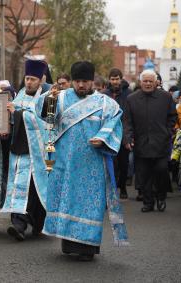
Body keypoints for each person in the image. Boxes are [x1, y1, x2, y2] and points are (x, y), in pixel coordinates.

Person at [38, 61, 128, 261]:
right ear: (72, 81)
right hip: (65, 162)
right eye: (77, 81)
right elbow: (47, 117)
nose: (81, 85)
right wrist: (48, 99)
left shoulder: (105, 103)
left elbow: (115, 121)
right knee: (67, 201)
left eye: (85, 81)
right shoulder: (59, 98)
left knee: (89, 204)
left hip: (92, 164)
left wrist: (103, 137)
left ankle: (87, 249)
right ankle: (68, 245)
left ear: (92, 81)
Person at [2, 59, 48, 241]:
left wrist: (17, 114)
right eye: (27, 78)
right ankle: (18, 225)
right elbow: (11, 122)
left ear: (41, 80)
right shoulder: (18, 96)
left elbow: (46, 124)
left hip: (38, 154)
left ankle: (38, 224)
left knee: (35, 191)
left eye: (33, 79)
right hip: (18, 152)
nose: (29, 82)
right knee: (17, 188)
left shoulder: (46, 99)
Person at [124, 69, 177, 213]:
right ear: (141, 82)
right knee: (144, 174)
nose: (147, 83)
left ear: (155, 82)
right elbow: (127, 122)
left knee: (161, 170)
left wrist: (168, 131)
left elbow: (173, 117)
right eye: (145, 81)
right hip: (141, 143)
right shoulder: (132, 99)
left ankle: (161, 197)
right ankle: (148, 202)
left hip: (161, 142)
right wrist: (128, 138)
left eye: (150, 81)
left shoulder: (166, 97)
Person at [103, 68, 132, 199]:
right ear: (109, 80)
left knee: (124, 163)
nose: (115, 81)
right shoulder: (104, 94)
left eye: (117, 78)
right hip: (109, 133)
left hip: (124, 133)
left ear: (121, 79)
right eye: (112, 79)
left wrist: (129, 137)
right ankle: (113, 189)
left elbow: (129, 116)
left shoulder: (128, 94)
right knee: (112, 163)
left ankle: (123, 187)